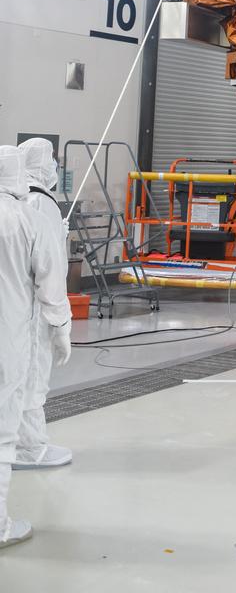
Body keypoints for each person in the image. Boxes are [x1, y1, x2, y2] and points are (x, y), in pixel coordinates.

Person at [0, 146, 71, 550]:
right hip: (8, 338)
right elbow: (51, 280)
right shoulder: (25, 217)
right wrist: (61, 327)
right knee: (1, 431)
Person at [16, 139, 72, 470]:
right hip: (33, 309)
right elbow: (49, 272)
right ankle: (29, 448)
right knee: (33, 371)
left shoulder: (15, 200)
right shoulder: (43, 203)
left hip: (12, 306)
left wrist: (57, 235)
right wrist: (61, 323)